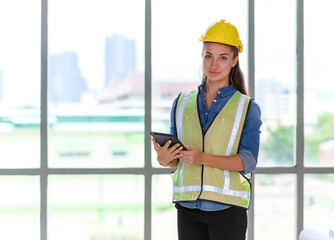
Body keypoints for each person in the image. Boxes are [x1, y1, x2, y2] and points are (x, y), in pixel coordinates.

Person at [152, 19, 262, 240]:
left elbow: (248, 161)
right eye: (208, 56)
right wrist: (164, 158)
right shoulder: (182, 102)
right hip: (187, 208)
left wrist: (202, 158)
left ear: (234, 60)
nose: (214, 65)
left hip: (228, 211)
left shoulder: (247, 107)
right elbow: (175, 160)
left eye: (223, 58)